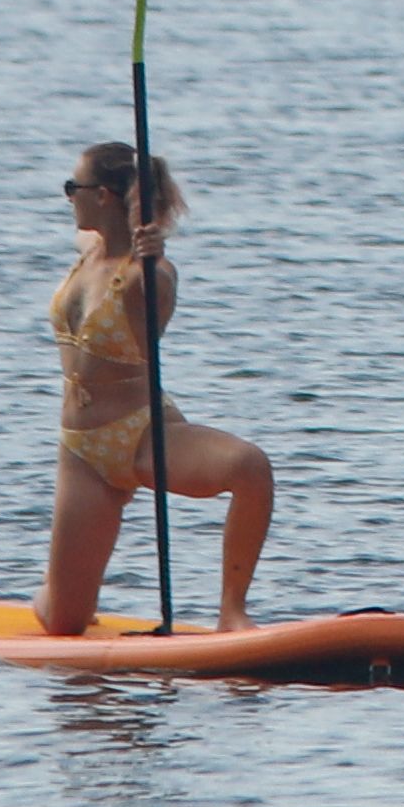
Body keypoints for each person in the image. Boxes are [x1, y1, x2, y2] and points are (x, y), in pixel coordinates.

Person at [36, 142, 272, 638]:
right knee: (63, 623)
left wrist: (151, 257)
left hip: (142, 434)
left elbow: (154, 308)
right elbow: (106, 237)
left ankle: (232, 611)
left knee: (250, 467)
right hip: (81, 451)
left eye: (71, 189)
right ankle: (57, 592)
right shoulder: (90, 249)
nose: (67, 199)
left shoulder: (153, 276)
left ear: (101, 196)